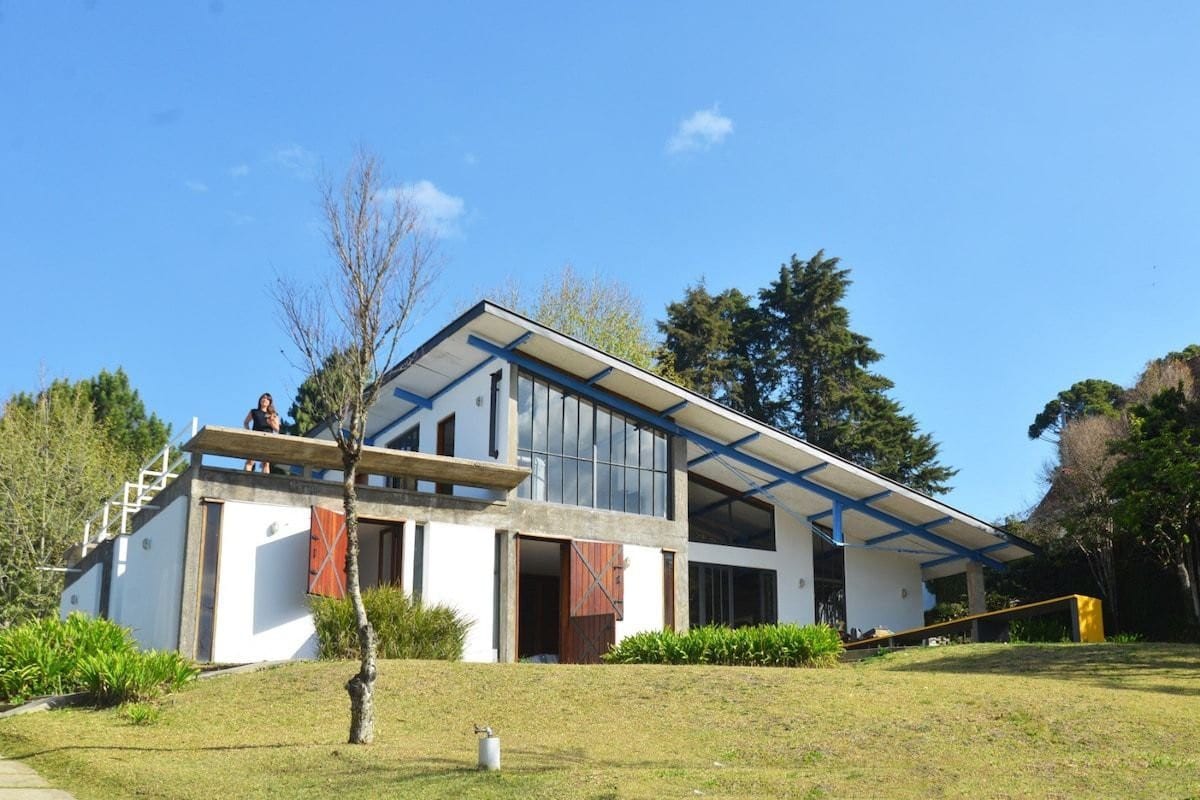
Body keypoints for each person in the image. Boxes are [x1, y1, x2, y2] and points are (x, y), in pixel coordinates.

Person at [243, 392, 278, 472]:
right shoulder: (254, 411)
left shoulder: (273, 414)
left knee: (265, 463)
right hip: (255, 438)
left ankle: (265, 481)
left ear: (270, 402)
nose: (264, 399)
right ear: (260, 400)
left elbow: (277, 429)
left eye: (267, 399)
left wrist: (271, 422)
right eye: (263, 398)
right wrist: (249, 432)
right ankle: (245, 478)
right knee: (250, 461)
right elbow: (246, 422)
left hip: (267, 439)